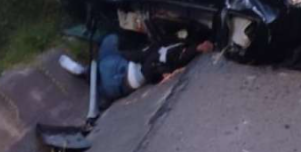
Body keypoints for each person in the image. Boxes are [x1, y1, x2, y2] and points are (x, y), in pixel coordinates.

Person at [60, 31, 214, 106]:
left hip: (123, 74)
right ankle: (90, 76)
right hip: (122, 87)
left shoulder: (163, 47)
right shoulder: (167, 50)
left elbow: (168, 55)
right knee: (105, 79)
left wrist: (198, 48)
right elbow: (176, 56)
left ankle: (87, 71)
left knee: (110, 42)